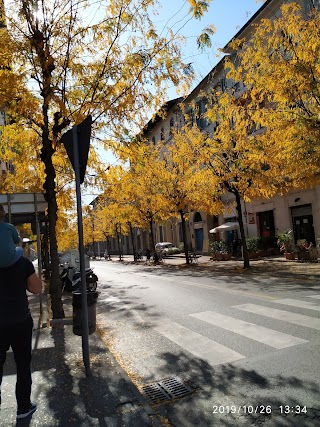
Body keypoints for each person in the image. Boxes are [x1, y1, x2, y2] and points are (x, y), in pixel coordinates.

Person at [0, 255, 42, 419]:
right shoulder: (22, 262)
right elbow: (37, 289)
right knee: (23, 364)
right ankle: (23, 407)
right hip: (20, 321)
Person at [0, 204, 23, 268]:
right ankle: (19, 269)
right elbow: (17, 240)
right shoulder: (10, 227)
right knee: (20, 249)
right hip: (9, 260)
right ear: (3, 214)